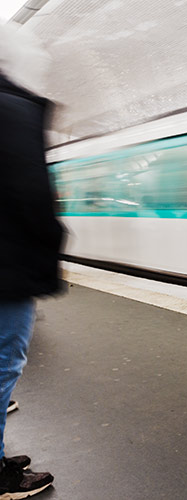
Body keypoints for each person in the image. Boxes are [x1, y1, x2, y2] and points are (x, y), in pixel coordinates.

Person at [0, 23, 62, 498]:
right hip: (7, 267)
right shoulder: (13, 109)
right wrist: (52, 244)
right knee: (4, 363)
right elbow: (32, 194)